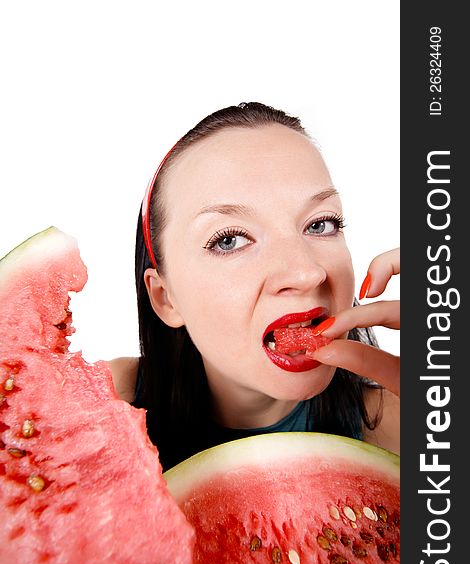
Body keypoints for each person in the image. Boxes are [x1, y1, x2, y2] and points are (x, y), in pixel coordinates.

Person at [109, 102, 400, 471]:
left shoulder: (413, 432)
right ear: (166, 299)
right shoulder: (103, 407)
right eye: (229, 239)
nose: (307, 273)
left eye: (321, 224)